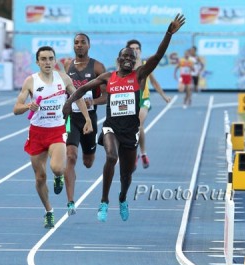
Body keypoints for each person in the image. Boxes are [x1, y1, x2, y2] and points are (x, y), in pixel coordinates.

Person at [63, 14, 185, 222]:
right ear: (118, 60)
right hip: (111, 127)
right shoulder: (108, 77)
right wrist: (68, 103)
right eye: (124, 57)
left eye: (132, 57)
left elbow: (157, 55)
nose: (128, 60)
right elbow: (82, 89)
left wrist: (168, 34)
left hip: (131, 131)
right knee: (111, 157)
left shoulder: (138, 75)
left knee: (127, 174)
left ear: (135, 61)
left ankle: (122, 197)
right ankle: (103, 201)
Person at [13, 46, 93, 229]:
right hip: (37, 133)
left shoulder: (63, 78)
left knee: (57, 168)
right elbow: (16, 108)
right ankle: (49, 211)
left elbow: (78, 97)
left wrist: (87, 118)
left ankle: (59, 177)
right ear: (37, 62)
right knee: (40, 177)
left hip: (57, 129)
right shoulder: (30, 81)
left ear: (55, 60)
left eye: (50, 58)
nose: (47, 62)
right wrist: (28, 107)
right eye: (44, 59)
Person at [62, 33, 107, 215]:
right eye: (76, 43)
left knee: (88, 162)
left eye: (82, 43)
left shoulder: (97, 67)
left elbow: (106, 96)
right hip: (72, 118)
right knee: (71, 156)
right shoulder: (67, 66)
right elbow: (64, 91)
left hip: (89, 118)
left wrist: (93, 102)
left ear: (89, 45)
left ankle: (88, 153)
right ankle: (70, 202)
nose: (79, 45)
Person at [125, 39, 171, 169]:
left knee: (138, 125)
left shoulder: (146, 65)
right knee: (129, 130)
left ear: (140, 50)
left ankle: (142, 153)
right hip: (128, 100)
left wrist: (164, 96)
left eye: (137, 48)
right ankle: (135, 153)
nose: (135, 50)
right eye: (132, 48)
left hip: (143, 99)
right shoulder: (125, 66)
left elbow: (154, 82)